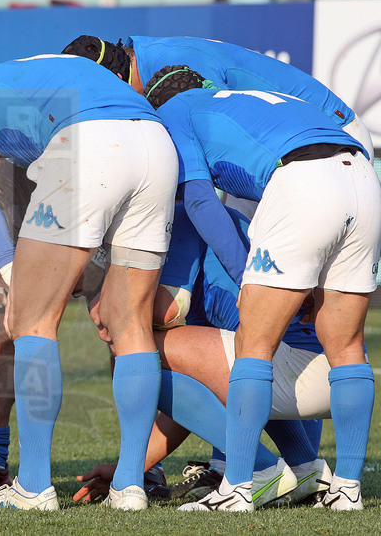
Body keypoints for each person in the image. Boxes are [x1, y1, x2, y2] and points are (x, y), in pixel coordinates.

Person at [0, 54, 178, 511]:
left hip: (90, 142)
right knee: (131, 326)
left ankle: (32, 486)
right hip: (154, 142)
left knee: (32, 322)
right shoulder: (40, 70)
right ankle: (131, 485)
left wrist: (12, 274)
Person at [144, 65, 380, 511]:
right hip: (363, 174)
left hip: (302, 179)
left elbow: (198, 200)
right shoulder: (245, 99)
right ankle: (347, 490)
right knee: (347, 344)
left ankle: (240, 485)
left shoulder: (174, 113)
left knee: (253, 342)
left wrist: (249, 280)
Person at [75, 204, 334, 508]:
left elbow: (165, 311)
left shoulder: (180, 217)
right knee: (228, 363)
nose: (76, 290)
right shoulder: (205, 225)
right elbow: (197, 397)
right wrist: (128, 469)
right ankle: (304, 466)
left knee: (133, 345)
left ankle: (257, 468)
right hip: (331, 375)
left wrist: (109, 302)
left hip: (301, 369)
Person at [61, 35, 373, 156]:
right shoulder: (151, 57)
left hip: (334, 134)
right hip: (295, 142)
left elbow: (222, 136)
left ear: (117, 78)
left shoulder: (174, 60)